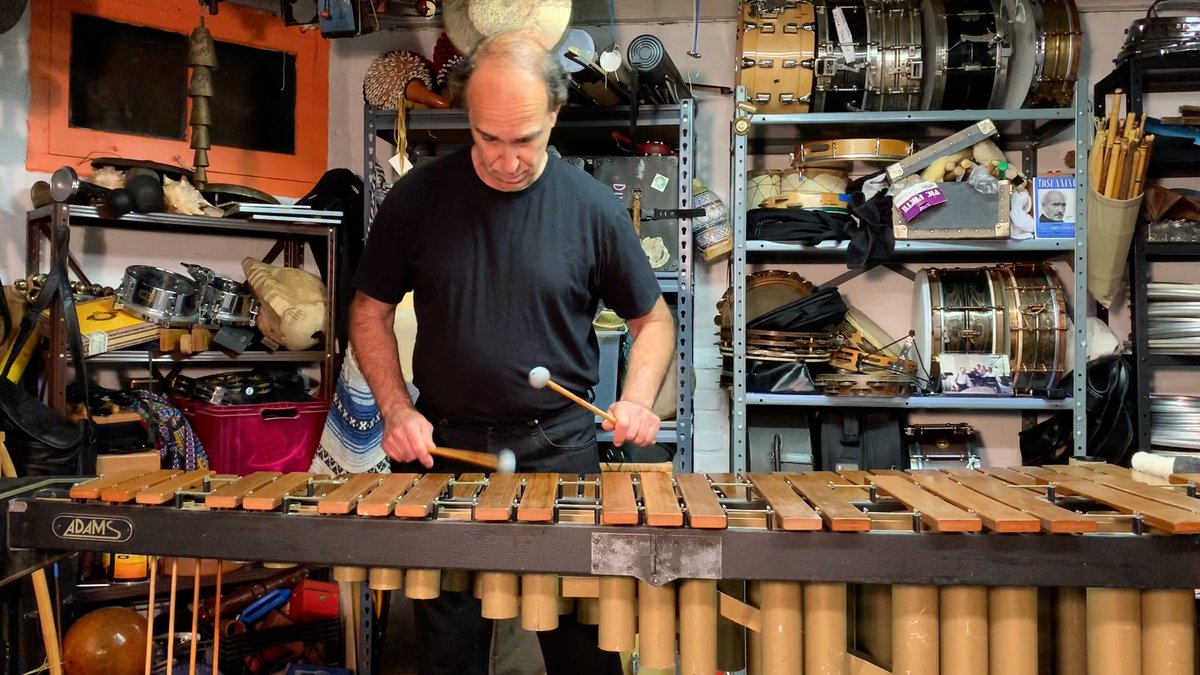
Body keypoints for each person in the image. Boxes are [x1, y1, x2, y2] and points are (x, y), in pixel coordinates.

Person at [349, 30, 674, 675]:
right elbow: (369, 311)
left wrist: (635, 401)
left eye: (523, 139)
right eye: (487, 138)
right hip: (443, 452)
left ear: (553, 115)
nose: (503, 160)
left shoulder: (591, 209)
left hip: (560, 451)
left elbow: (653, 321)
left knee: (585, 656)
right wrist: (394, 410)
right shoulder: (416, 200)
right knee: (447, 659)